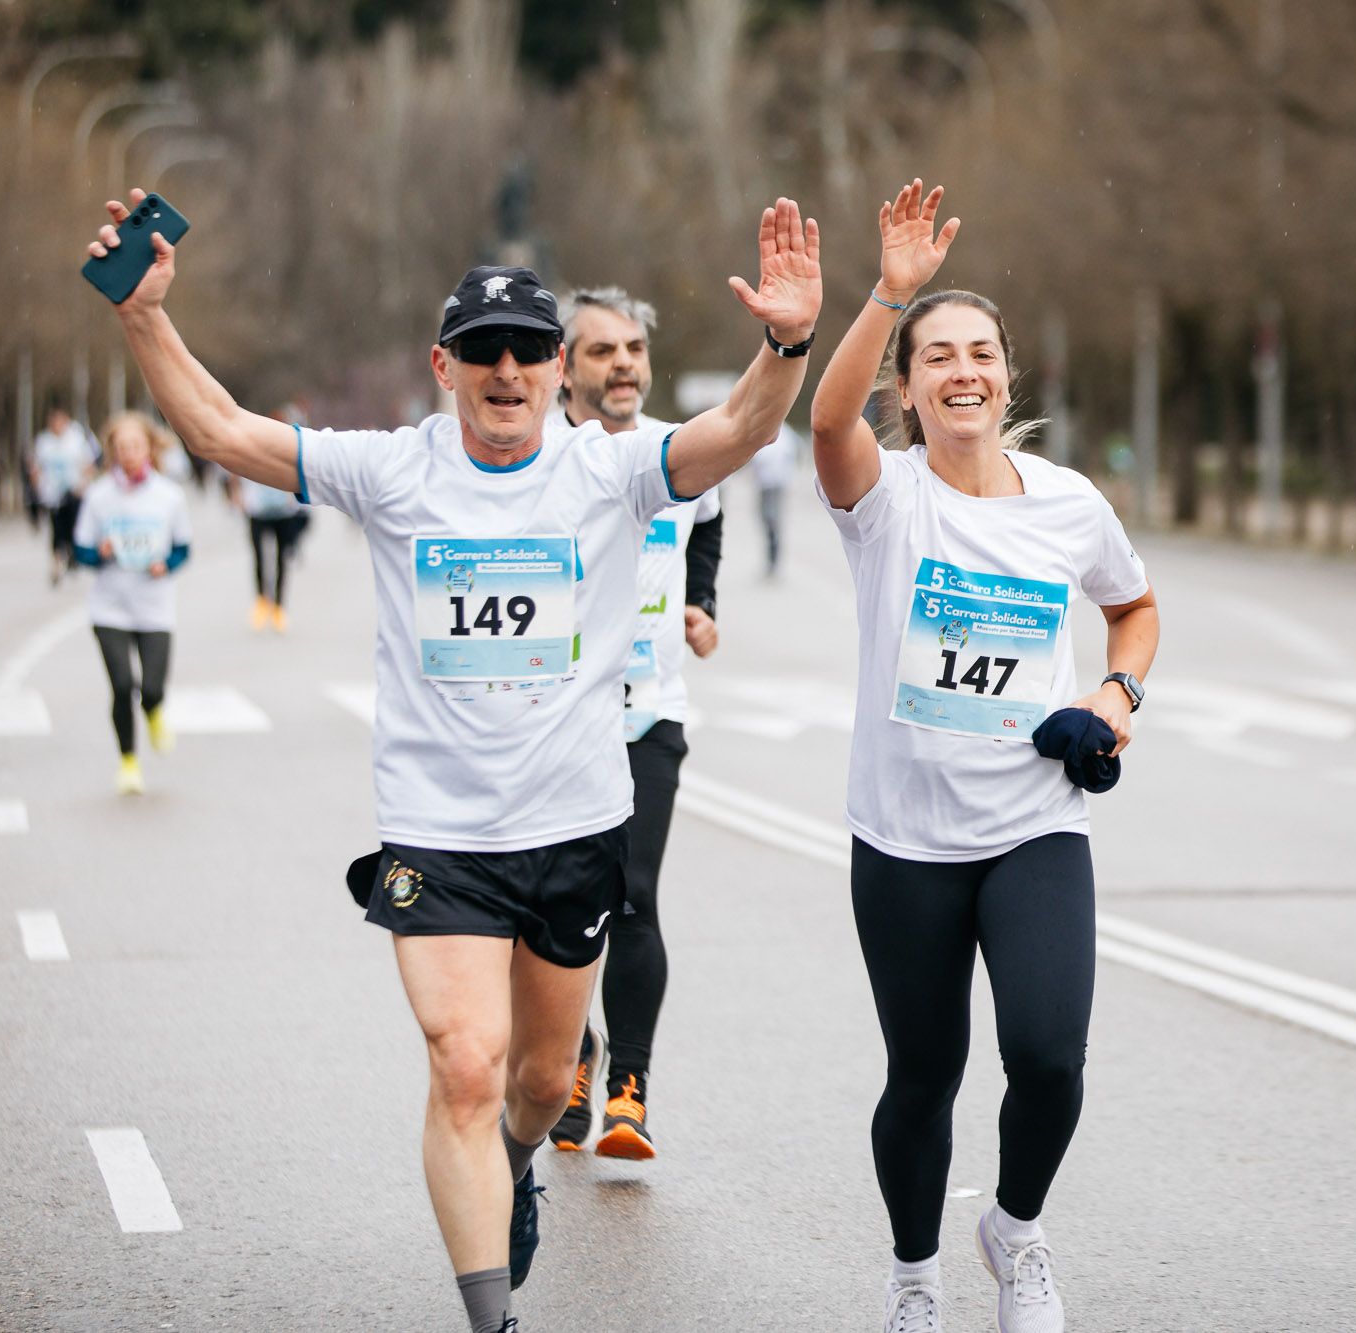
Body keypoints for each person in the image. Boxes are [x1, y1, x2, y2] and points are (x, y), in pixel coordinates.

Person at [85, 186, 821, 1333]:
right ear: (444, 365)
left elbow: (739, 432)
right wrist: (142, 316)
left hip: (576, 824)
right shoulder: (392, 470)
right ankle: (494, 1319)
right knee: (464, 1067)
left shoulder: (606, 473)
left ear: (560, 368)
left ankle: (517, 1163)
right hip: (437, 830)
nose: (508, 370)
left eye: (531, 350)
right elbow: (223, 433)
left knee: (535, 1082)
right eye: (484, 352)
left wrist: (783, 341)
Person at [809, 180, 1159, 1333]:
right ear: (907, 389)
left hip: (1033, 823)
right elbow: (822, 423)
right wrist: (885, 294)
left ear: (1007, 376)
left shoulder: (1066, 505)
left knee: (1049, 1056)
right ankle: (915, 1276)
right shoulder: (884, 499)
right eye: (937, 356)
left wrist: (1113, 695)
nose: (963, 370)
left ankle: (1012, 1228)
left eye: (981, 353)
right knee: (923, 1078)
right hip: (903, 837)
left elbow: (1135, 609)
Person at [542, 288, 722, 1162]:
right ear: (565, 366)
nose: (622, 364)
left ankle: (628, 1089)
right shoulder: (541, 459)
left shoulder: (677, 453)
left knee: (634, 895)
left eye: (633, 349)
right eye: (602, 349)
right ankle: (573, 1055)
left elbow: (710, 523)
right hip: (556, 718)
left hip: (650, 711)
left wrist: (700, 603)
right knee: (559, 905)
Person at [70, 411, 193, 795]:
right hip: (109, 607)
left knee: (151, 689)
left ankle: (154, 711)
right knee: (123, 686)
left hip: (154, 608)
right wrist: (100, 553)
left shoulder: (169, 496)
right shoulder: (99, 495)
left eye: (136, 446)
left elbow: (183, 548)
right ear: (113, 451)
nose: (129, 453)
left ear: (149, 449)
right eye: (122, 447)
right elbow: (82, 550)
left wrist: (165, 564)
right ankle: (128, 762)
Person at [230, 456, 309, 632]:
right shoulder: (251, 439)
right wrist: (237, 495)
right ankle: (261, 601)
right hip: (257, 510)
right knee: (259, 557)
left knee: (282, 558)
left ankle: (279, 606)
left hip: (283, 511)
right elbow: (235, 467)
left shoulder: (283, 437)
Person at [31, 405, 99, 586]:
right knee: (56, 529)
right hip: (53, 495)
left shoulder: (76, 439)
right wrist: (37, 487)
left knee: (73, 528)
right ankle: (57, 563)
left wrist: (83, 484)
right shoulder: (44, 442)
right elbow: (36, 467)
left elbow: (89, 464)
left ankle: (72, 555)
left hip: (74, 492)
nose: (57, 426)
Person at [751, 418, 801, 576]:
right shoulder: (765, 428)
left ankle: (774, 554)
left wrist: (790, 472)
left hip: (776, 483)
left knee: (771, 518)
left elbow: (798, 450)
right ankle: (771, 551)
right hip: (764, 483)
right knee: (765, 518)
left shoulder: (784, 432)